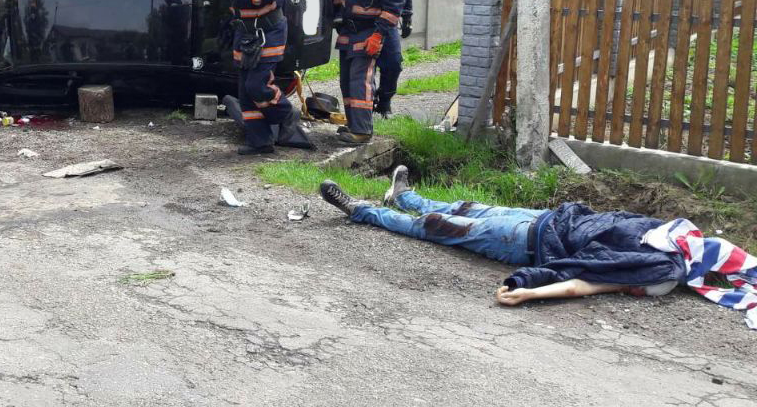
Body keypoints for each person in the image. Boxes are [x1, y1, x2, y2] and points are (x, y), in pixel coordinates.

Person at [320, 167, 757, 327]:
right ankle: (404, 196)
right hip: (544, 219)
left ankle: (360, 210)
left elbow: (585, 281)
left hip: (527, 245)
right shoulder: (683, 236)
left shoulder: (663, 274)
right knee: (466, 205)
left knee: (437, 227)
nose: (718, 245)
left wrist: (529, 289)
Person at [213, 0, 311, 155]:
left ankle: (287, 114)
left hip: (267, 33)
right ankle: (260, 142)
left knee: (258, 84)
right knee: (245, 91)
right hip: (245, 35)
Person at [329, 0, 404, 146]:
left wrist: (378, 36)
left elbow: (393, 9)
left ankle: (362, 131)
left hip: (370, 32)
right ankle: (354, 124)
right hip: (347, 33)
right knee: (346, 82)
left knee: (360, 81)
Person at [374, 0, 413, 118]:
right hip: (370, 23)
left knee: (394, 64)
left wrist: (408, 18)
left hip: (390, 24)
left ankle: (385, 102)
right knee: (367, 65)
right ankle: (367, 101)